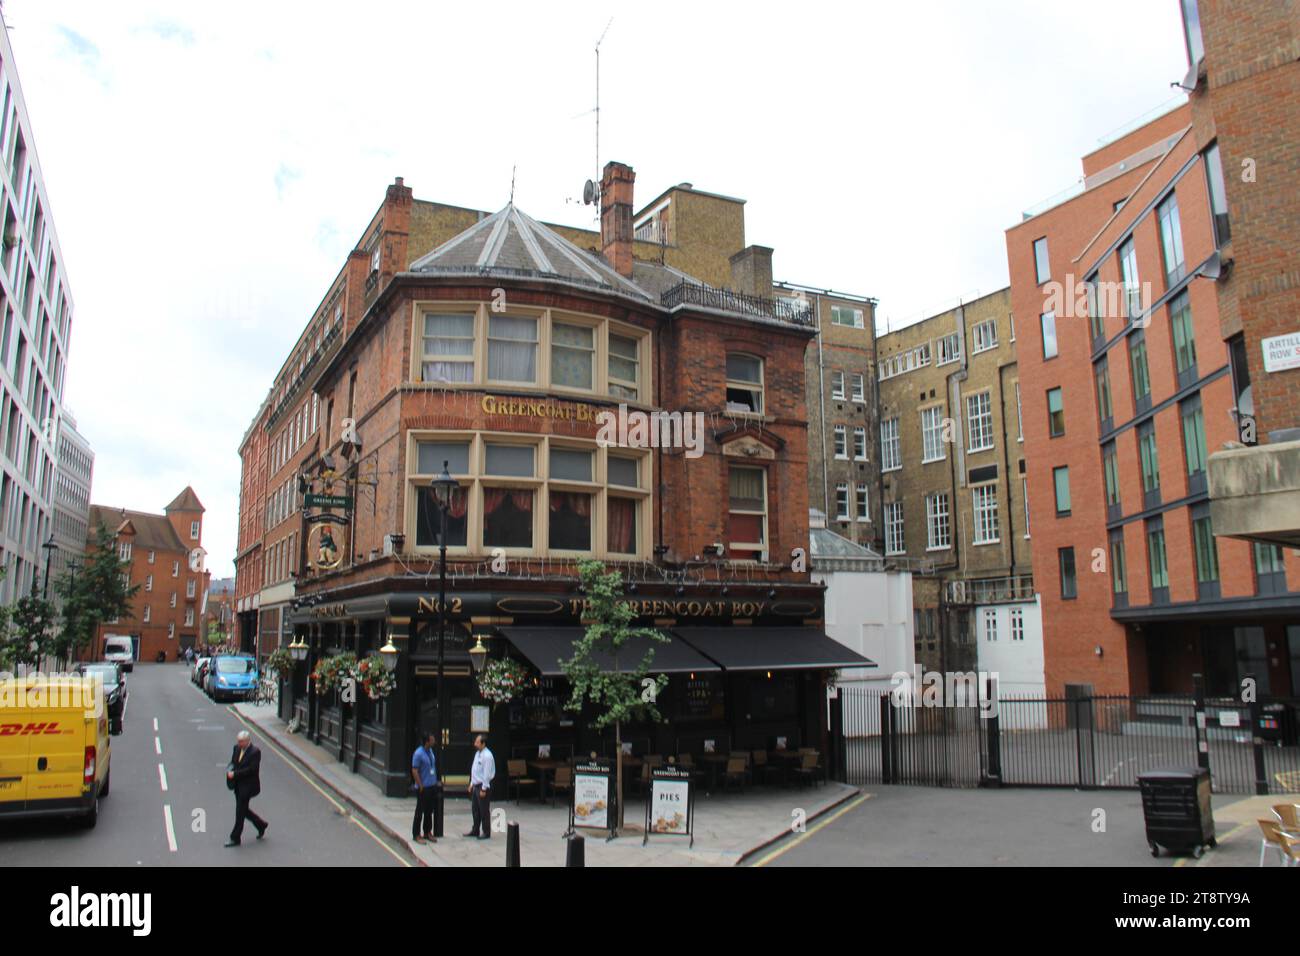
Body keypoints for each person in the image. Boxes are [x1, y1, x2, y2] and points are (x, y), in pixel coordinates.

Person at [225, 730, 268, 847]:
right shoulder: (236, 748)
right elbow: (234, 762)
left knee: (240, 812)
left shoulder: (255, 752)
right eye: (238, 741)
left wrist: (235, 774)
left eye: (241, 742)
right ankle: (261, 824)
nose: (239, 744)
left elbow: (251, 770)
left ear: (248, 741)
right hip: (238, 785)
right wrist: (229, 770)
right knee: (243, 810)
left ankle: (235, 838)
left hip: (248, 787)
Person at [464, 734, 495, 840]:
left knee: (484, 810)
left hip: (482, 786)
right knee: (475, 809)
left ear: (483, 743)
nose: (475, 744)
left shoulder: (487, 756)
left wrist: (484, 789)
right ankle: (475, 829)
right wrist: (471, 783)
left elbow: (486, 774)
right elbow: (474, 770)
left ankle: (486, 832)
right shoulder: (477, 754)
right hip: (476, 785)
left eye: (477, 742)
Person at [411, 732, 439, 844]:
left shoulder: (430, 751)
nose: (434, 741)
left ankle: (427, 832)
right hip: (423, 788)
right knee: (420, 811)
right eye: (432, 740)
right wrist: (420, 785)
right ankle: (416, 834)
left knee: (429, 811)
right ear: (427, 741)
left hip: (432, 786)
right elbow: (414, 770)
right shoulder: (418, 753)